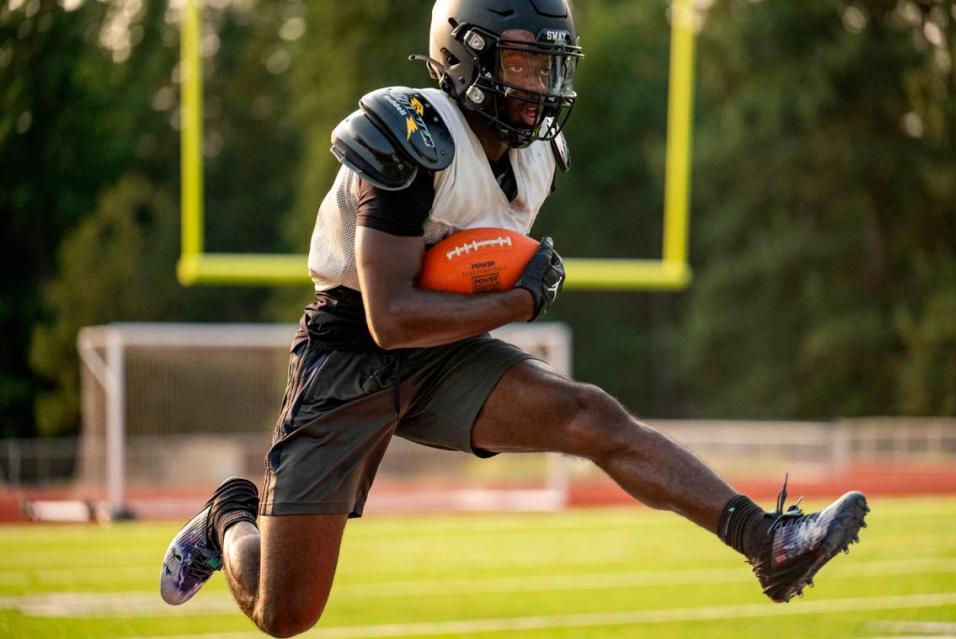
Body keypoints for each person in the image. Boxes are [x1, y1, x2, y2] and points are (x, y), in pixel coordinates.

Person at [160, 1, 868, 636]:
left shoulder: (540, 156)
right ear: (466, 57)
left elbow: (466, 266)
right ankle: (229, 512)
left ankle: (767, 541)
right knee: (286, 612)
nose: (542, 84)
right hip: (351, 351)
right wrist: (519, 299)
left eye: (550, 64)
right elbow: (390, 318)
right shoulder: (406, 133)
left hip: (449, 345)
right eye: (525, 62)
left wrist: (504, 295)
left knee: (589, 414)